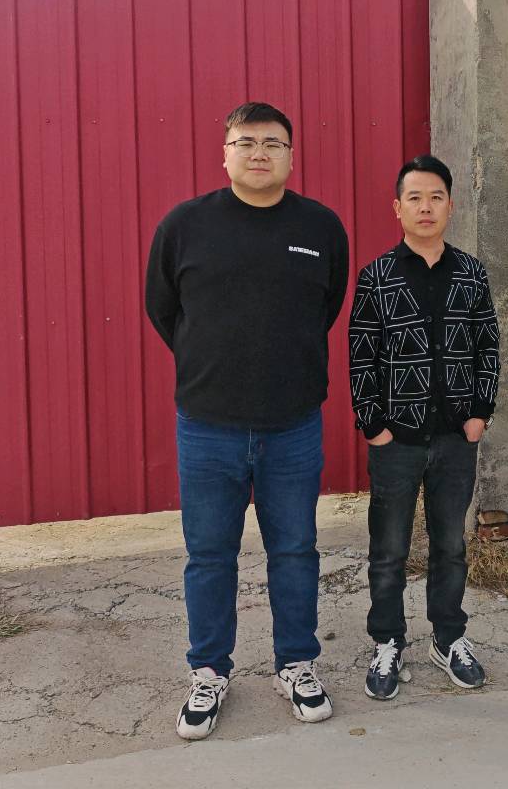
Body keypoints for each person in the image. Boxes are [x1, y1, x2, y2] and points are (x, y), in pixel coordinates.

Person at [145, 101, 349, 738]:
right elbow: (163, 309)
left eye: (273, 143)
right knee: (210, 555)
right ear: (225, 153)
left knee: (295, 550)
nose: (259, 153)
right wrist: (212, 365)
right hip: (208, 425)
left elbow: (326, 307)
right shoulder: (185, 225)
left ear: (290, 155)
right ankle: (209, 671)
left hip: (293, 424)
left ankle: (297, 663)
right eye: (246, 142)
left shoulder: (320, 227)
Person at [348, 155, 500, 700]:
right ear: (398, 208)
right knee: (388, 550)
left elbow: (488, 347)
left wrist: (480, 414)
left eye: (436, 197)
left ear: (450, 205)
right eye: (414, 197)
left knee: (450, 545)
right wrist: (373, 426)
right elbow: (361, 356)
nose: (426, 207)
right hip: (397, 440)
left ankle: (448, 637)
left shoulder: (471, 274)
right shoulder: (377, 277)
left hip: (456, 437)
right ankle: (388, 641)